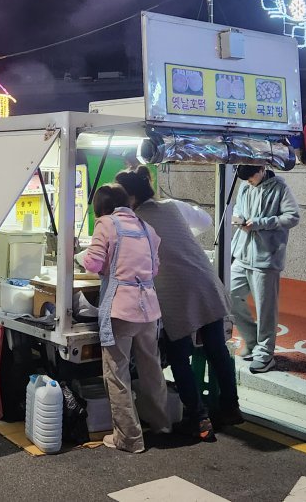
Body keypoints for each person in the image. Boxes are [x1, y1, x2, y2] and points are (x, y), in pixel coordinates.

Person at [114, 167, 241, 439]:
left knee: (178, 355)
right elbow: (206, 220)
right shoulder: (172, 206)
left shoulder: (134, 221)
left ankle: (199, 418)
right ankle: (231, 408)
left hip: (176, 292)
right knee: (217, 348)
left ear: (131, 196)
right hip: (205, 280)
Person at [81, 184, 171, 453]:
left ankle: (129, 438)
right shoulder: (147, 228)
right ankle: (162, 423)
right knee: (151, 368)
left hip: (120, 309)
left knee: (116, 372)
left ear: (102, 207)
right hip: (149, 309)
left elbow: (93, 264)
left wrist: (89, 258)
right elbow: (154, 269)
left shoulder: (106, 224)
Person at [229, 164, 300, 374]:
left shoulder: (280, 188)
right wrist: (239, 219)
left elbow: (293, 216)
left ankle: (265, 354)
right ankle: (252, 341)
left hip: (266, 257)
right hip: (242, 253)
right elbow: (237, 208)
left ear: (261, 170)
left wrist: (261, 223)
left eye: (251, 178)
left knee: (265, 309)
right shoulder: (244, 186)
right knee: (228, 295)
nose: (249, 182)